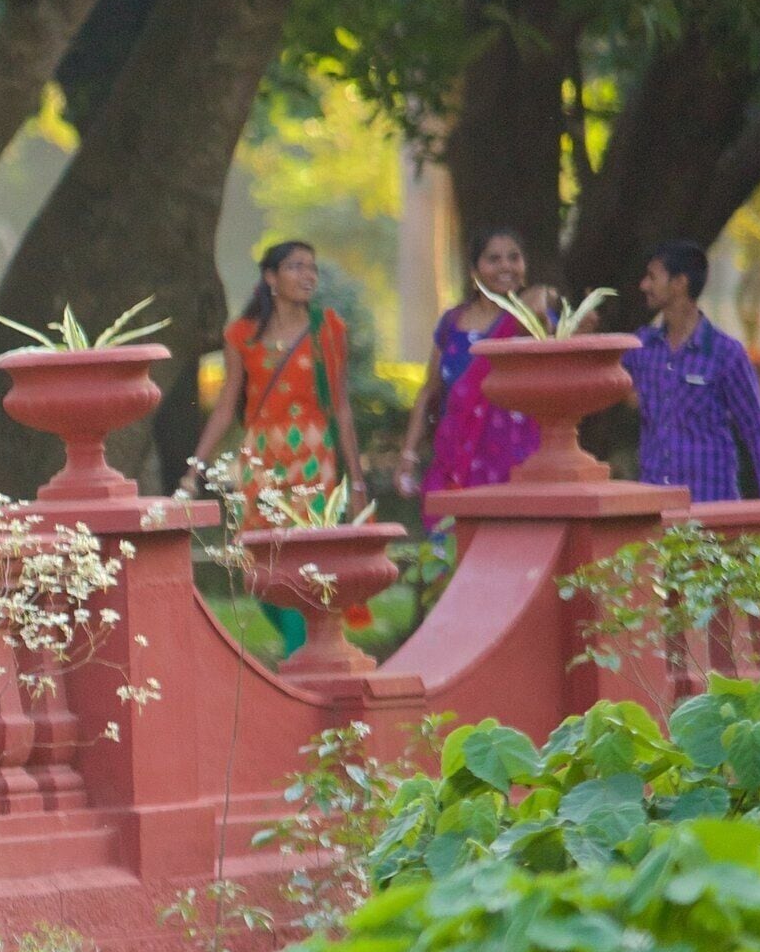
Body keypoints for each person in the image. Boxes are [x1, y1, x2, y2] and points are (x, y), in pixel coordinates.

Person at [185, 241, 364, 658]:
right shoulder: (241, 335)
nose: (307, 276)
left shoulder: (329, 329)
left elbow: (340, 405)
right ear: (270, 278)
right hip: (261, 461)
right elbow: (228, 404)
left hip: (314, 461)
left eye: (312, 268)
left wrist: (356, 479)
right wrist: (195, 468)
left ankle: (301, 654)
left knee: (308, 560)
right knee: (260, 562)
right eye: (296, 267)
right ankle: (299, 642)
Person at [401, 228, 550, 516]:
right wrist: (408, 454)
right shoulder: (452, 322)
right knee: (450, 549)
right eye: (493, 259)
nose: (505, 266)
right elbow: (429, 391)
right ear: (474, 270)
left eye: (514, 257)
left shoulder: (534, 322)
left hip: (517, 460)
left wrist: (544, 297)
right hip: (457, 458)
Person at [623, 240, 760, 502]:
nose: (644, 285)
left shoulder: (726, 354)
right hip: (655, 510)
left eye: (653, 277)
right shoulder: (641, 348)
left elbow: (756, 429)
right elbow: (598, 378)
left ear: (680, 283)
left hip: (710, 508)